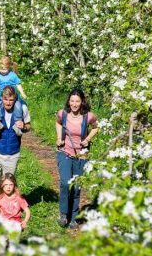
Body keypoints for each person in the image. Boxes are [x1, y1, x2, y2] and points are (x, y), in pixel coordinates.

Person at [55, 88, 99, 229]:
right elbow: (58, 123)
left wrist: (88, 139)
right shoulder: (63, 114)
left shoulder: (89, 116)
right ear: (69, 101)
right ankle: (63, 214)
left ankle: (73, 217)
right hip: (65, 152)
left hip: (81, 155)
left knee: (77, 187)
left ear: (82, 102)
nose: (74, 104)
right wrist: (58, 138)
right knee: (65, 183)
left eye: (77, 101)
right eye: (72, 101)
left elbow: (96, 128)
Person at [0, 85, 31, 204]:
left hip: (12, 154)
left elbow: (29, 126)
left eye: (11, 100)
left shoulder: (22, 109)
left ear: (15, 99)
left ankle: (5, 212)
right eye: (5, 99)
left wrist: (23, 127)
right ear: (1, 98)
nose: (8, 103)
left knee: (7, 186)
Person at [0, 56, 28, 136]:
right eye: (1, 69)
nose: (3, 71)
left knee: (18, 107)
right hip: (1, 97)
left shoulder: (13, 75)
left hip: (13, 97)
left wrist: (23, 93)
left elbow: (18, 84)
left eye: (5, 69)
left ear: (9, 67)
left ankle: (17, 125)